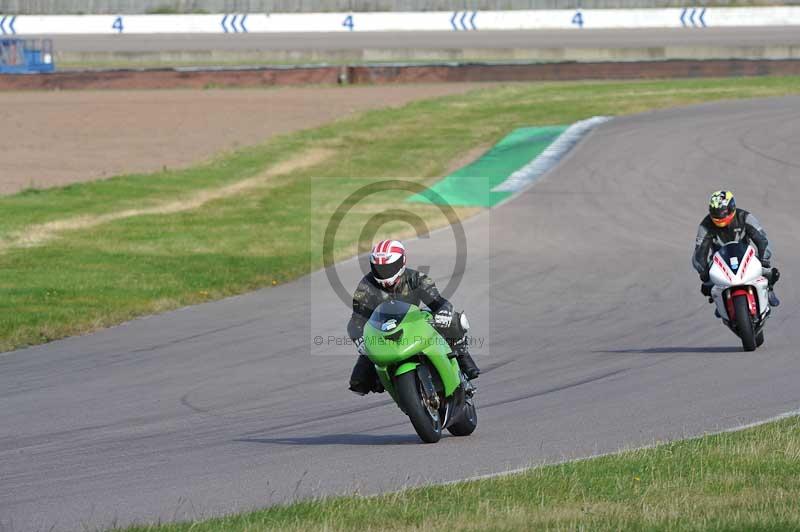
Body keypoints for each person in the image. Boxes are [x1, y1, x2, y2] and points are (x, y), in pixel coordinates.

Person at [347, 239, 481, 395]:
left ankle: (463, 358)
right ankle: (383, 381)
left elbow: (438, 302)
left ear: (401, 262)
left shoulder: (416, 278)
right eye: (379, 268)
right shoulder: (366, 286)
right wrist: (360, 339)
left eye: (389, 267)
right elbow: (356, 321)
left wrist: (444, 312)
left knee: (454, 319)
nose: (384, 272)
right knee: (358, 381)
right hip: (383, 331)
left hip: (414, 322)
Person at [692, 190, 780, 308]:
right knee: (707, 287)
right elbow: (699, 252)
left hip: (746, 256)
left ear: (732, 207)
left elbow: (762, 239)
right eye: (715, 212)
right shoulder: (705, 225)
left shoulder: (745, 217)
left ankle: (768, 290)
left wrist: (764, 260)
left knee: (770, 273)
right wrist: (703, 272)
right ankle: (720, 303)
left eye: (722, 211)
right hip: (720, 262)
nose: (720, 216)